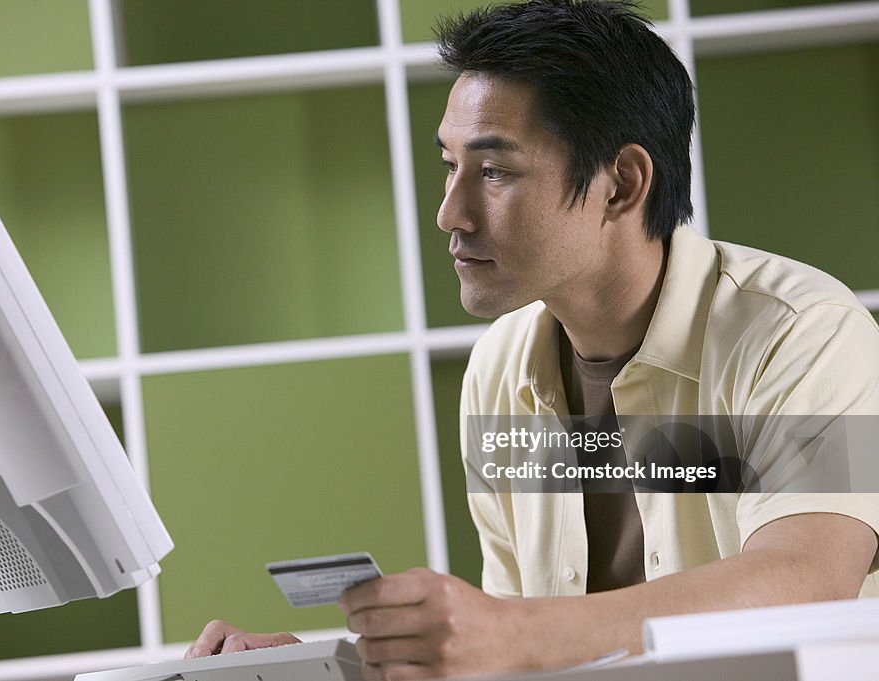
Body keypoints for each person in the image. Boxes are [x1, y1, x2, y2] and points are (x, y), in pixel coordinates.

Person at [187, 1, 879, 678]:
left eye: (494, 171)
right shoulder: (498, 367)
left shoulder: (802, 332)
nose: (449, 212)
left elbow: (805, 581)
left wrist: (509, 632)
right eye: (448, 166)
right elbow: (516, 663)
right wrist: (332, 668)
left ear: (621, 184)